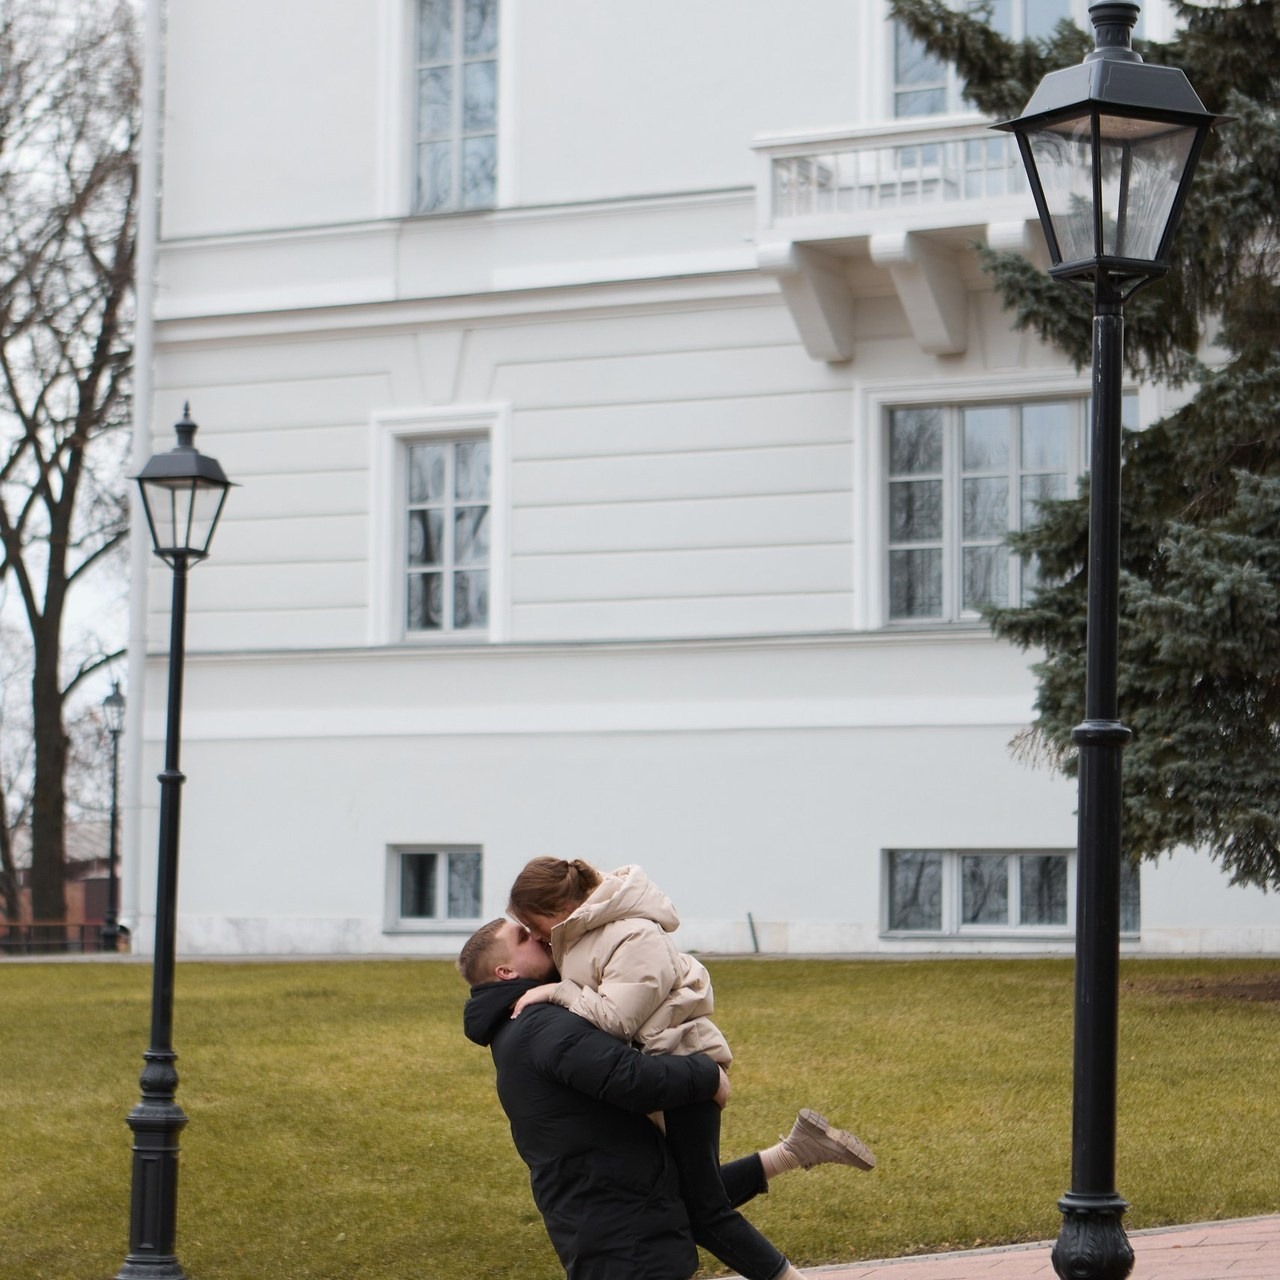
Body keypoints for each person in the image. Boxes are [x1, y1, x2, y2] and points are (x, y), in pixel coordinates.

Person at [507, 858, 876, 1280]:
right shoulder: (584, 935)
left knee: (704, 1212)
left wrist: (558, 991)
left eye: (532, 925)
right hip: (662, 1067)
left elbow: (617, 1018)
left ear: (557, 908)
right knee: (683, 1195)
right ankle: (797, 1150)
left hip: (679, 1069)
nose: (536, 936)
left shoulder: (634, 935)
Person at [459, 917, 753, 1280]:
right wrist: (707, 1075)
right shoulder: (541, 1026)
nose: (538, 936)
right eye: (523, 937)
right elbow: (631, 1078)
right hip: (626, 1235)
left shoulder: (518, 1025)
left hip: (609, 1223)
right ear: (505, 971)